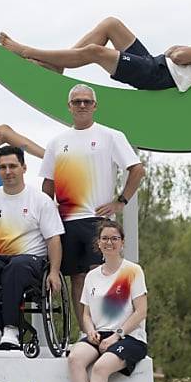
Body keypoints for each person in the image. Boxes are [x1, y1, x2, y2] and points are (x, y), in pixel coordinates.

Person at [40, 84, 144, 336]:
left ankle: (108, 329)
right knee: (77, 279)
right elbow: (47, 183)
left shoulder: (111, 136)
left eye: (87, 101)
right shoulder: (56, 142)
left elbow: (137, 169)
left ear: (95, 106)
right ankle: (88, 333)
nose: (82, 105)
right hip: (66, 222)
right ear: (69, 106)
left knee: (101, 276)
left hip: (98, 221)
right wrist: (46, 214)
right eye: (77, 101)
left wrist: (121, 200)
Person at [0, 1, 191, 92]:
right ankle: (59, 67)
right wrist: (173, 52)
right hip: (157, 64)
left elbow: (182, 56)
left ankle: (26, 51)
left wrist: (176, 50)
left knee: (96, 53)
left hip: (159, 75)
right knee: (112, 24)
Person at [0, 146, 64, 347]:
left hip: (31, 261)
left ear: (24, 168)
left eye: (13, 166)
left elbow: (53, 239)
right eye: (3, 167)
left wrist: (54, 272)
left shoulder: (40, 200)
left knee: (17, 266)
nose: (8, 171)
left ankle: (12, 329)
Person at [68, 220, 148, 382]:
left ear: (122, 243)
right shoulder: (91, 275)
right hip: (99, 335)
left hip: (128, 337)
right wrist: (90, 331)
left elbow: (141, 311)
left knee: (100, 368)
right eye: (105, 238)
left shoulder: (133, 271)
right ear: (98, 243)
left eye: (114, 238)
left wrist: (116, 336)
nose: (109, 242)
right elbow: (86, 314)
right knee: (74, 359)